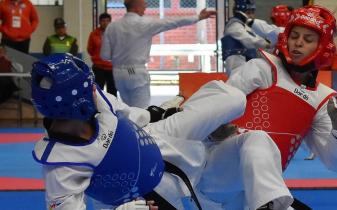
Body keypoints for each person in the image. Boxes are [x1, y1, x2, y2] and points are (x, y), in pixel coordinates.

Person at [197, 5, 337, 210]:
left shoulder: (323, 99)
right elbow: (216, 105)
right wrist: (213, 129)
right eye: (294, 36)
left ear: (322, 47)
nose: (298, 43)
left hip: (254, 196)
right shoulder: (261, 69)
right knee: (257, 138)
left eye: (308, 39)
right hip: (217, 177)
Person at [31, 54, 248, 210]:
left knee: (233, 99)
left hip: (156, 136)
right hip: (131, 197)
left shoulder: (98, 101)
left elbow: (130, 114)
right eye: (89, 87)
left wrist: (162, 112)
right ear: (76, 99)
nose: (94, 89)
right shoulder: (61, 165)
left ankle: (208, 133)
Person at [101, 0, 216, 108]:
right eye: (143, 3)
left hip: (118, 74)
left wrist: (122, 56)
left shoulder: (112, 27)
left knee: (129, 110)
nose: (146, 6)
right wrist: (198, 17)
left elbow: (104, 55)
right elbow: (173, 22)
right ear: (136, 6)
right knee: (142, 112)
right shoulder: (144, 23)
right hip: (135, 72)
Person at [221, 0, 283, 76]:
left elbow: (257, 43)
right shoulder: (234, 26)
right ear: (239, 13)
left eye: (252, 13)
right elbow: (250, 40)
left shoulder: (245, 27)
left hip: (245, 62)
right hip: (236, 63)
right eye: (248, 13)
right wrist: (267, 44)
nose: (251, 16)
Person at [87, 12, 117, 96]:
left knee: (112, 91)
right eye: (103, 21)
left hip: (112, 67)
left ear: (110, 22)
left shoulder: (115, 34)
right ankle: (99, 108)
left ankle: (113, 108)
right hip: (98, 67)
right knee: (98, 91)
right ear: (99, 22)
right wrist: (98, 58)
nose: (105, 23)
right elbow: (90, 49)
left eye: (107, 21)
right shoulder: (94, 34)